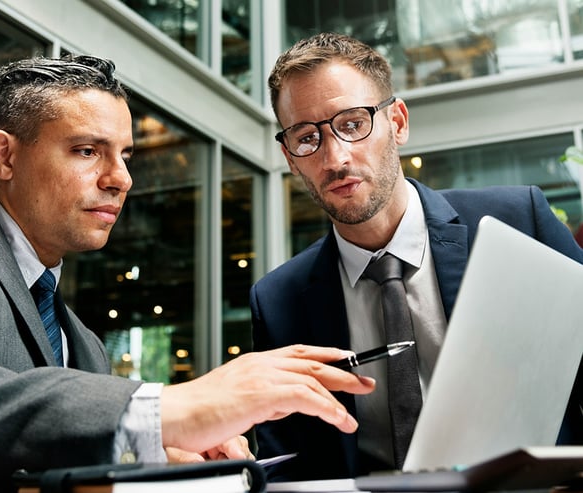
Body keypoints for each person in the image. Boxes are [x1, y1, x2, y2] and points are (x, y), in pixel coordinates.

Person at [0, 54, 376, 492]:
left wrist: (150, 456)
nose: (120, 179)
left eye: (123, 155)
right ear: (4, 156)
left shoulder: (86, 346)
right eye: (86, 150)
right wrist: (159, 410)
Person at [250, 32, 583, 481]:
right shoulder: (277, 302)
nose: (335, 157)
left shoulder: (519, 219)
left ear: (399, 122)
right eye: (307, 137)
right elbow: (286, 466)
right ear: (290, 156)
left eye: (352, 124)